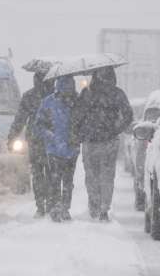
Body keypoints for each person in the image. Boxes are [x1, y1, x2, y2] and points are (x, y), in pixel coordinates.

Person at [71, 67, 134, 221]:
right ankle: (103, 209)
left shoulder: (87, 93)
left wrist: (79, 134)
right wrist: (116, 129)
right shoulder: (117, 93)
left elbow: (76, 117)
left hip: (91, 141)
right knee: (107, 177)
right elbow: (128, 115)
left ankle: (95, 206)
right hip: (108, 141)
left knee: (92, 177)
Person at [33, 76, 79, 222]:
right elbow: (39, 125)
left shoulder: (52, 102)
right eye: (67, 86)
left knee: (61, 180)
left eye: (70, 85)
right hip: (57, 149)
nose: (68, 89)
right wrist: (50, 135)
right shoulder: (51, 102)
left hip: (64, 148)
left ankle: (60, 207)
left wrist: (75, 134)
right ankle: (60, 207)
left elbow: (39, 125)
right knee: (63, 180)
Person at [8, 71, 52, 217]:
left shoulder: (29, 96)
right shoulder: (54, 95)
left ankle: (40, 205)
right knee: (51, 172)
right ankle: (50, 202)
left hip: (35, 140)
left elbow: (20, 119)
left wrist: (12, 137)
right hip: (52, 139)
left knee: (38, 173)